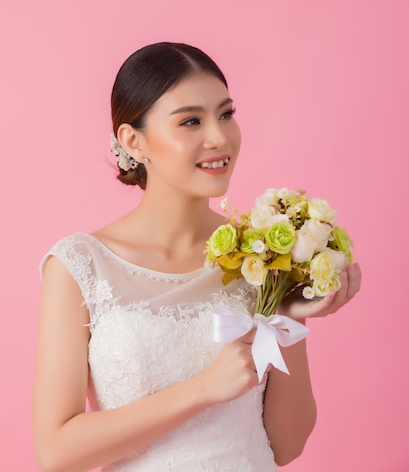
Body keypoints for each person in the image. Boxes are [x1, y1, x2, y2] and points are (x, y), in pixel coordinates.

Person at [32, 42, 361, 472]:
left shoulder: (260, 257)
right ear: (133, 141)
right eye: (191, 121)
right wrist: (202, 389)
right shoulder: (81, 265)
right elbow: (56, 452)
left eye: (226, 114)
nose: (218, 137)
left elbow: (286, 444)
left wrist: (286, 315)